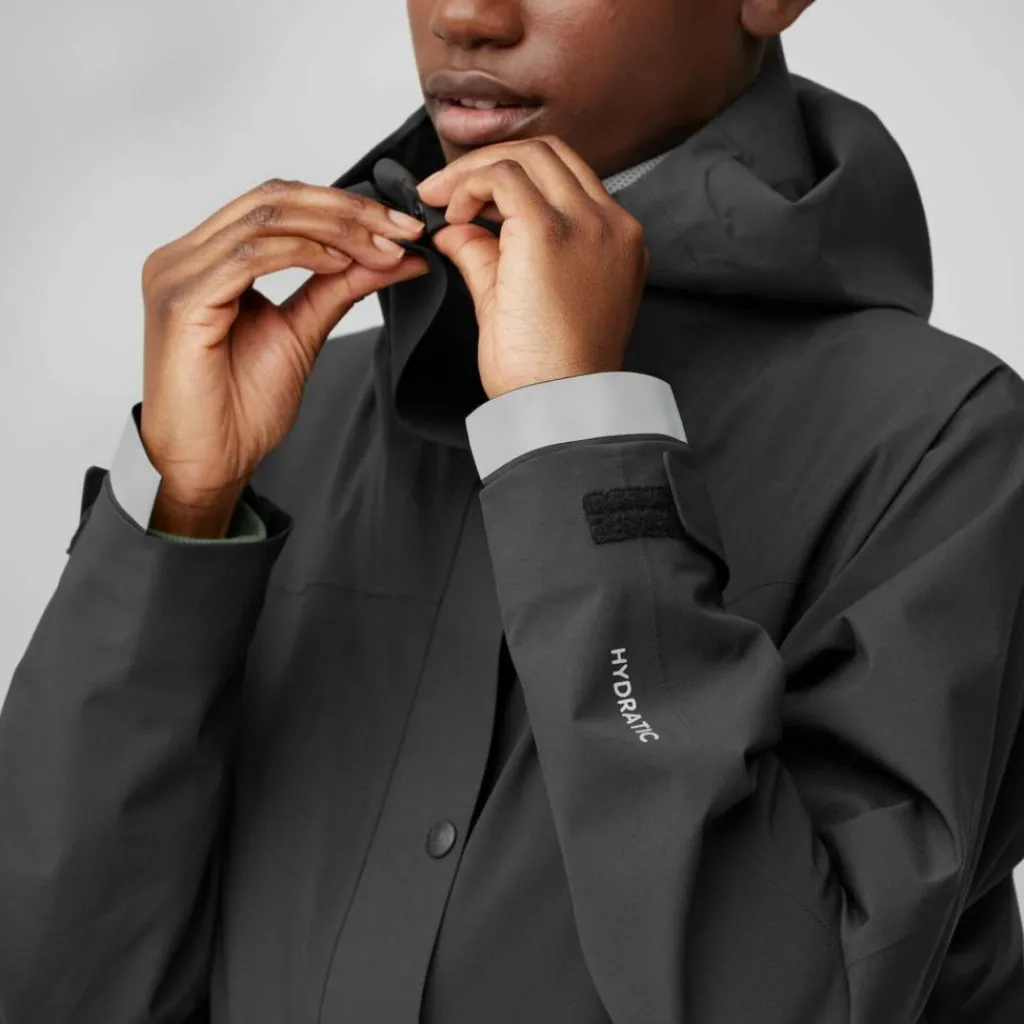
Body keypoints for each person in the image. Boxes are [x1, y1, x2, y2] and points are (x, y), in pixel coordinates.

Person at [2, 0, 1023, 1021]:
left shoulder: (943, 446)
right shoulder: (285, 417)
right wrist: (175, 521)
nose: (464, 15)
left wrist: (579, 455)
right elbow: (55, 987)